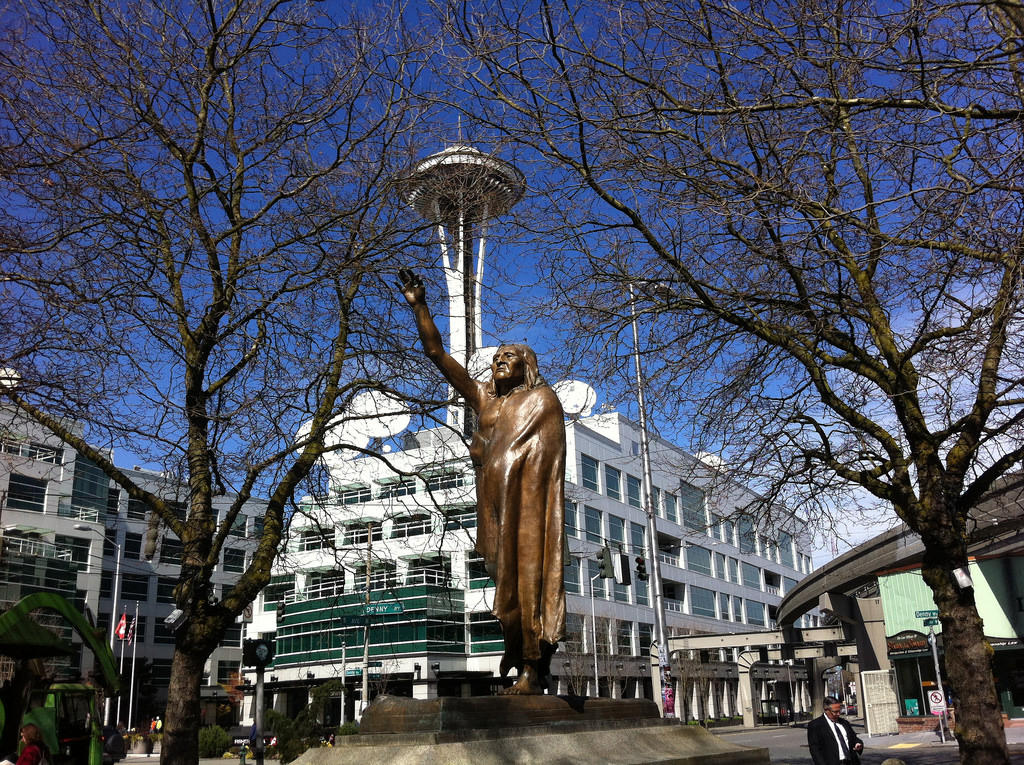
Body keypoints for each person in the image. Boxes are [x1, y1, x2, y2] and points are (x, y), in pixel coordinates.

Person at [399, 268, 567, 695]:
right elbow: (437, 354)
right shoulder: (483, 399)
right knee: (504, 582)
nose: (498, 363)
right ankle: (526, 661)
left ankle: (533, 667)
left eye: (508, 357)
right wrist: (420, 307)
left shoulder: (541, 400)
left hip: (527, 507)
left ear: (526, 365)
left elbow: (542, 459)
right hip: (492, 510)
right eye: (495, 359)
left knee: (528, 580)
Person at [807, 696, 864, 765]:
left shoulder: (844, 723)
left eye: (839, 710)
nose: (839, 714)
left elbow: (854, 738)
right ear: (826, 710)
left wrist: (858, 744)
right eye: (835, 712)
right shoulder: (815, 726)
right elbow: (815, 751)